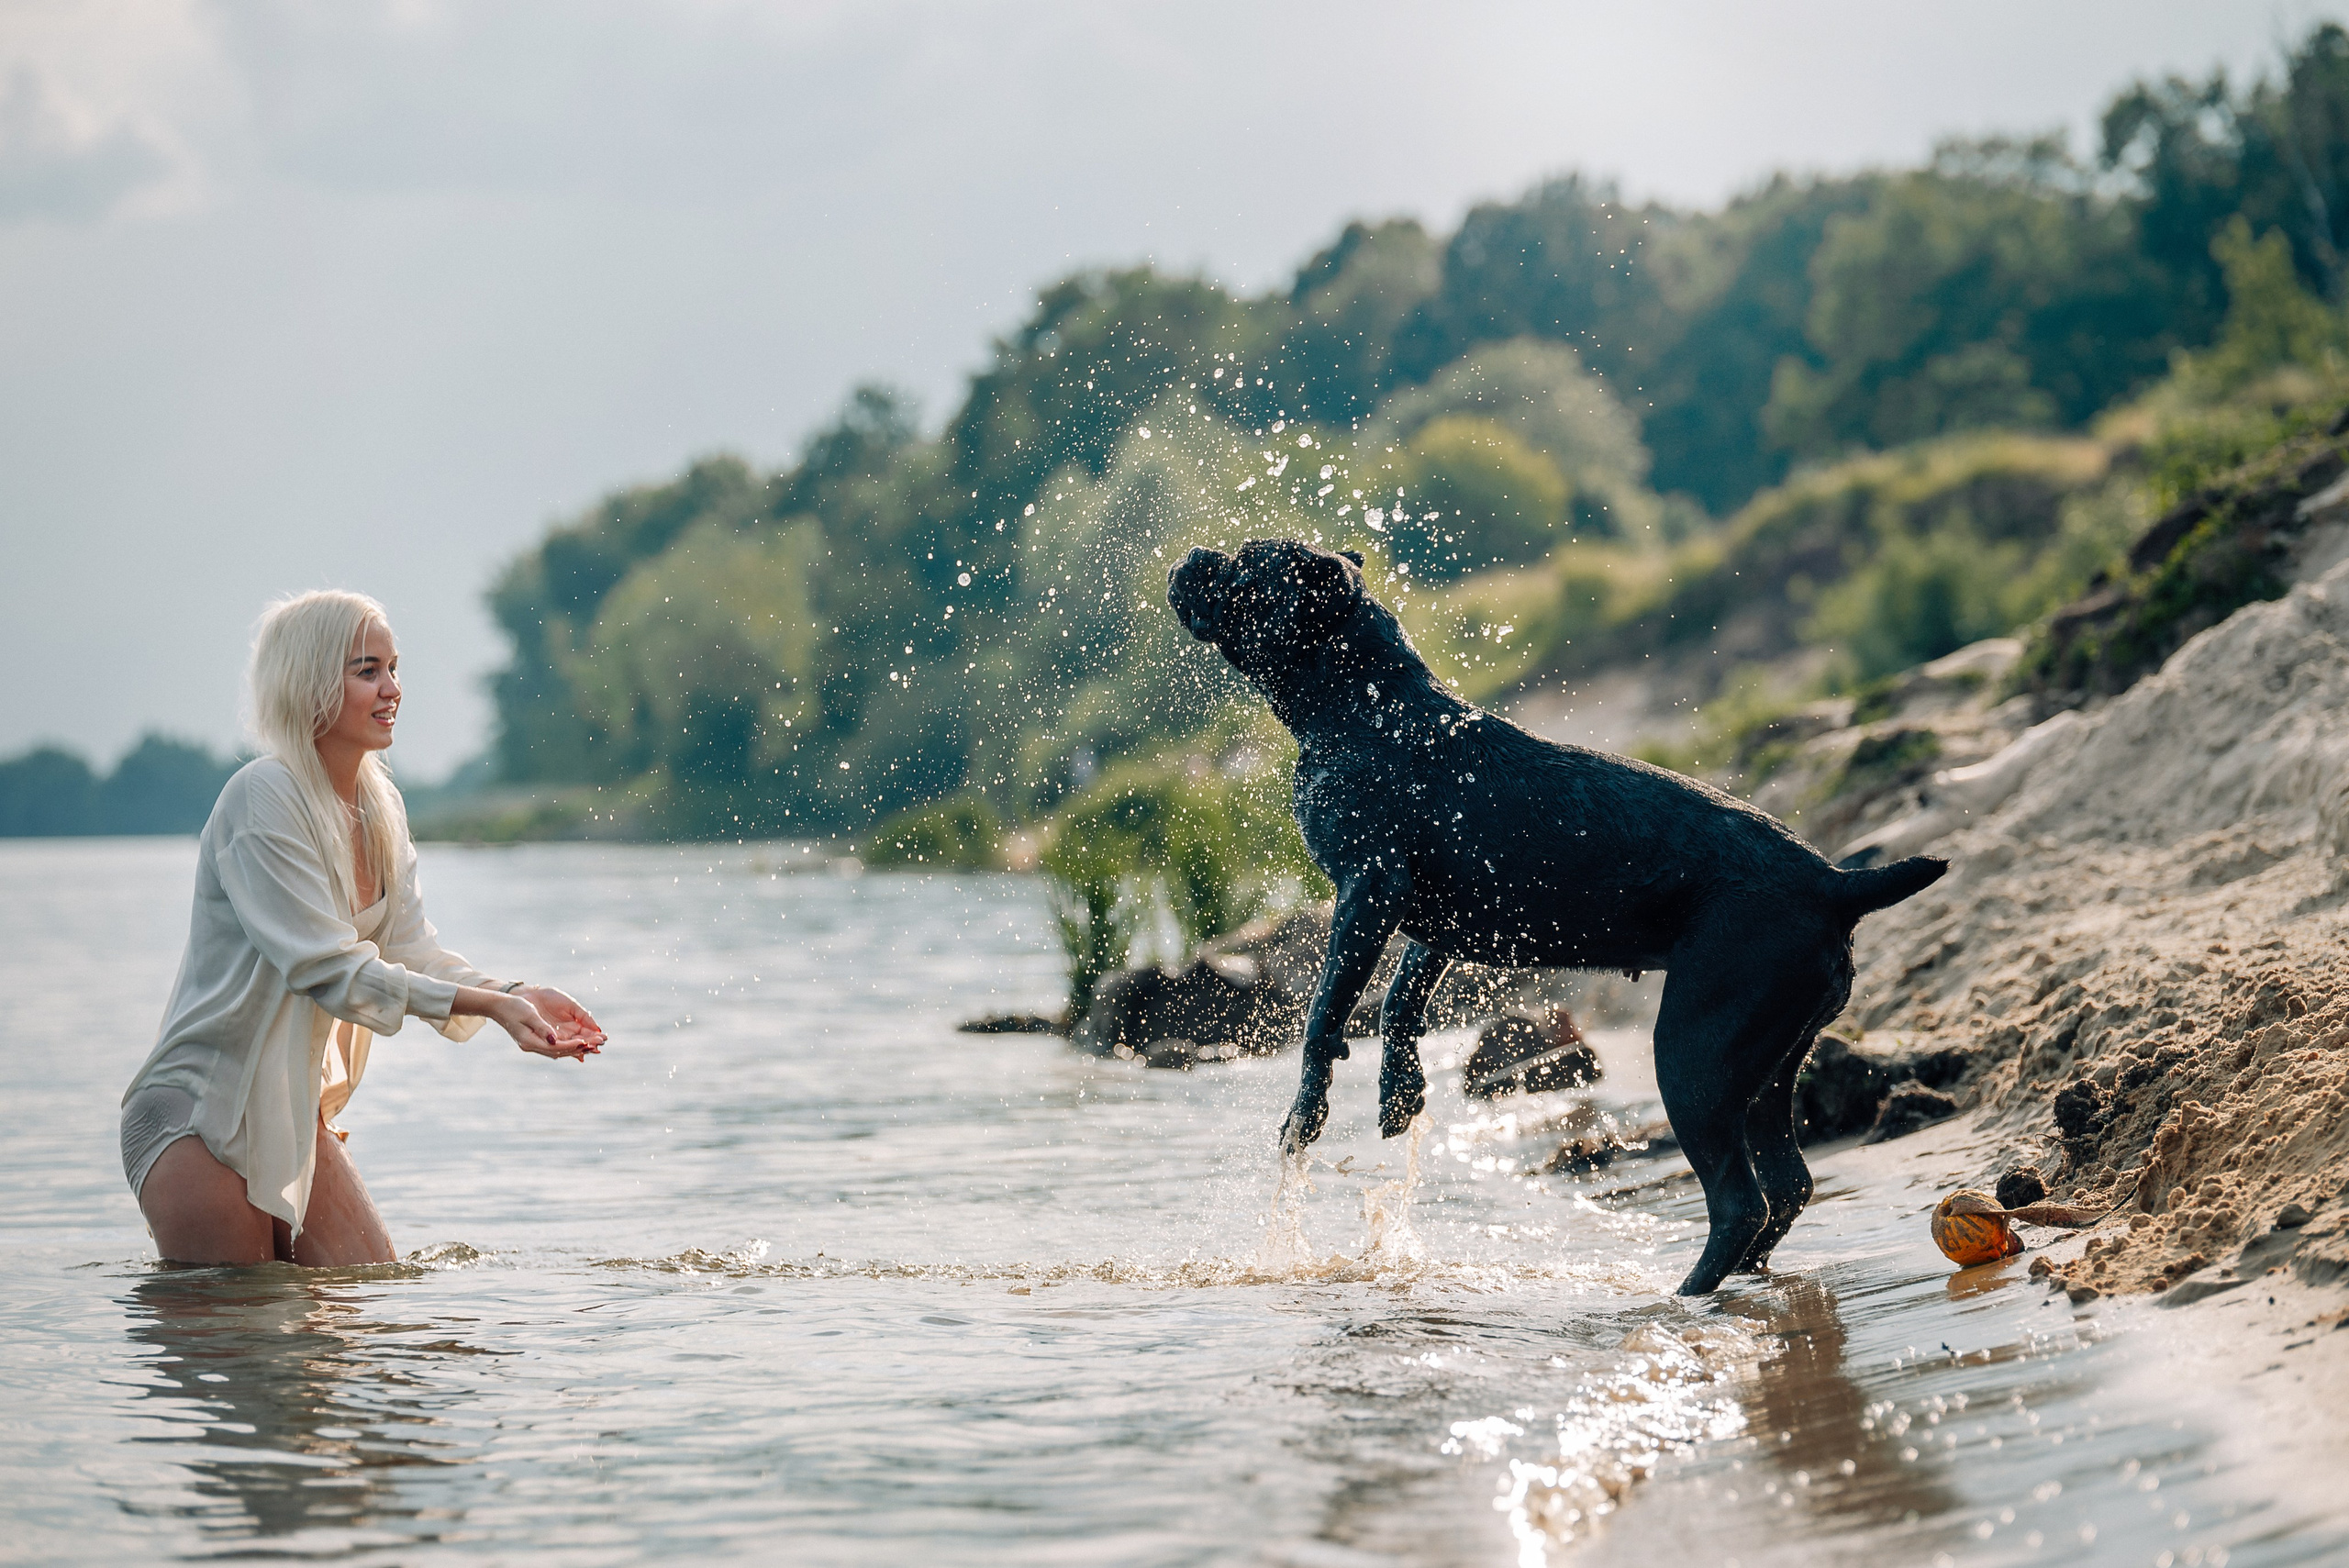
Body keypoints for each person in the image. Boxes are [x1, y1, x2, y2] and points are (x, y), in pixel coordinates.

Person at [119, 590, 605, 1266]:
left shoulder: (378, 805)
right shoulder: (262, 797)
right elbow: (329, 969)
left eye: (395, 668)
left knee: (371, 1291)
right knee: (249, 1345)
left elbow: (410, 950)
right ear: (313, 680)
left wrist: (513, 990)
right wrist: (491, 1007)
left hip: (292, 1114)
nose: (393, 689)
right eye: (367, 669)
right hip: (198, 1115)